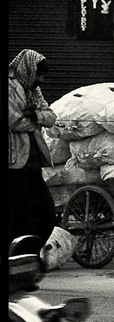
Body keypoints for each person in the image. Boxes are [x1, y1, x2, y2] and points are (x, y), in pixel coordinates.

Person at [8, 49, 58, 251]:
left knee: (46, 213)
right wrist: (34, 120)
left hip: (33, 163)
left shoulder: (33, 91)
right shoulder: (10, 87)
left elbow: (50, 116)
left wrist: (35, 117)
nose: (41, 80)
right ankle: (21, 258)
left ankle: (29, 253)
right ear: (28, 71)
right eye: (39, 75)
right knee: (21, 217)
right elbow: (14, 120)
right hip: (13, 163)